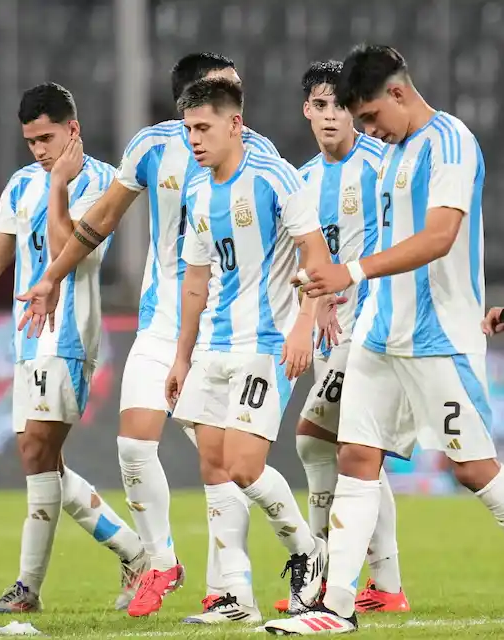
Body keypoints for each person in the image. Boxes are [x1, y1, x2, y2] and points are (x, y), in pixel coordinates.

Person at [13, 52, 283, 622]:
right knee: (133, 445)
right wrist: (51, 276)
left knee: (220, 462)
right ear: (188, 101)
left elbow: (287, 243)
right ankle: (161, 561)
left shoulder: (262, 157)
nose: (235, 108)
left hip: (224, 328)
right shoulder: (152, 147)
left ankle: (238, 585)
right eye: (221, 94)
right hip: (162, 321)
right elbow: (101, 219)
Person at [265, 45, 503, 635]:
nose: (368, 129)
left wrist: (351, 272)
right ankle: (336, 606)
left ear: (397, 93)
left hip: (437, 336)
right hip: (378, 333)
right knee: (355, 458)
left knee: (473, 470)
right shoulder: (392, 154)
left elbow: (440, 236)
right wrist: (329, 291)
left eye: (369, 116)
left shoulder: (450, 143)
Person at [0, 82, 147, 614]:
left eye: (47, 138)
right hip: (26, 337)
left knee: (38, 454)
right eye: (31, 142)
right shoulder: (21, 184)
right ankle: (136, 552)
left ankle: (27, 588)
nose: (39, 151)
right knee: (42, 460)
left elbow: (71, 248)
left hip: (70, 334)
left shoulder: (104, 183)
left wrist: (59, 186)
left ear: (73, 129)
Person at [159, 76, 332, 624]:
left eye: (203, 127)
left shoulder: (274, 176)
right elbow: (195, 280)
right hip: (213, 344)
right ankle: (235, 596)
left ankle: (307, 551)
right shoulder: (197, 189)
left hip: (267, 343)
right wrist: (182, 356)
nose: (194, 139)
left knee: (242, 465)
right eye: (188, 129)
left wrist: (304, 324)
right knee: (214, 467)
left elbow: (317, 256)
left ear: (235, 124)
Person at [271, 61, 410, 616]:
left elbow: (404, 239)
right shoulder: (301, 179)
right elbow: (304, 260)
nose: (331, 116)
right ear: (307, 110)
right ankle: (385, 584)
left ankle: (323, 573)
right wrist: (313, 299)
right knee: (357, 450)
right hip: (332, 330)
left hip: (376, 324)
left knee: (313, 439)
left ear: (353, 109)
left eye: (339, 105)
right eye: (320, 105)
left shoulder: (380, 163)